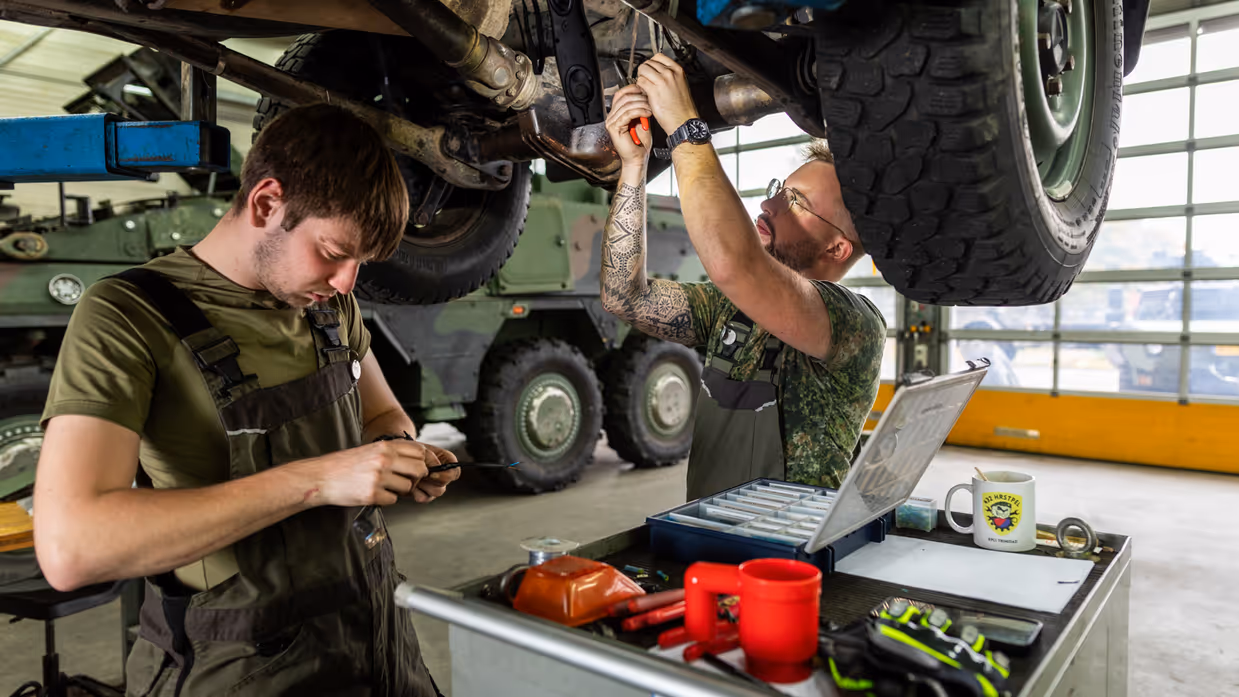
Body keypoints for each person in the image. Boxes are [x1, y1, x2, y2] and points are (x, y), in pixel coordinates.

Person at [33, 104, 454, 696]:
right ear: (265, 203)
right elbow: (72, 548)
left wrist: (399, 455)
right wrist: (317, 480)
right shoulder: (126, 316)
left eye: (359, 263)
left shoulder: (328, 306)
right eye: (334, 252)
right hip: (242, 663)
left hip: (376, 637)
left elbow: (384, 415)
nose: (345, 283)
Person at [601, 55, 887, 500]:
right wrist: (634, 168)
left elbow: (737, 265)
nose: (768, 206)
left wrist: (684, 126)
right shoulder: (727, 312)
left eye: (796, 201)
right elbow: (625, 298)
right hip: (708, 541)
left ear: (837, 248)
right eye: (777, 190)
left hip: (787, 559)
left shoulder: (856, 325)